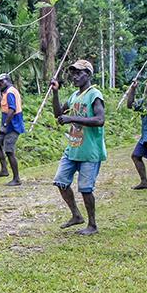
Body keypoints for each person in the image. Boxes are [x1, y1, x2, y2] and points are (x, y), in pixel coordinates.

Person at [50, 60, 106, 235]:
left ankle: (92, 225)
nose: (75, 76)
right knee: (61, 181)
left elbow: (99, 120)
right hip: (73, 148)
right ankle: (76, 215)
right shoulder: (74, 96)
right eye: (73, 73)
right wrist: (56, 93)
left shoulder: (94, 94)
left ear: (88, 75)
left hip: (90, 151)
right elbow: (59, 114)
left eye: (79, 73)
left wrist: (72, 119)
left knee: (85, 188)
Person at [0, 73, 24, 186]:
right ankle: (4, 170)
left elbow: (12, 110)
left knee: (9, 150)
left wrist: (5, 125)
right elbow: (0, 103)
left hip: (13, 126)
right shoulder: (5, 92)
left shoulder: (11, 92)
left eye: (1, 82)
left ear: (7, 81)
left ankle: (17, 178)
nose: (0, 84)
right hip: (7, 126)